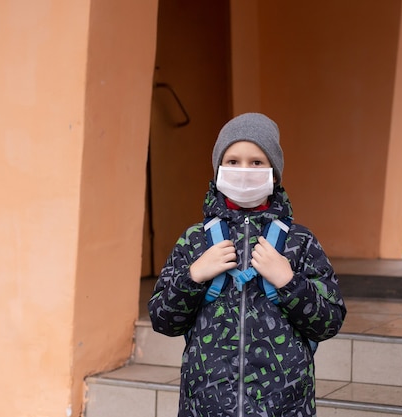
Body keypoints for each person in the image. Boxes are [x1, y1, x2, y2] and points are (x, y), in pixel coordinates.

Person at [148, 112, 346, 417]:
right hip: (207, 406)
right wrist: (194, 276)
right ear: (217, 170)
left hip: (284, 406)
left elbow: (328, 322)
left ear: (274, 173)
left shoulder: (300, 241)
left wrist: (289, 282)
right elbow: (163, 320)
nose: (244, 171)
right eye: (232, 161)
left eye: (256, 162)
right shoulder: (194, 240)